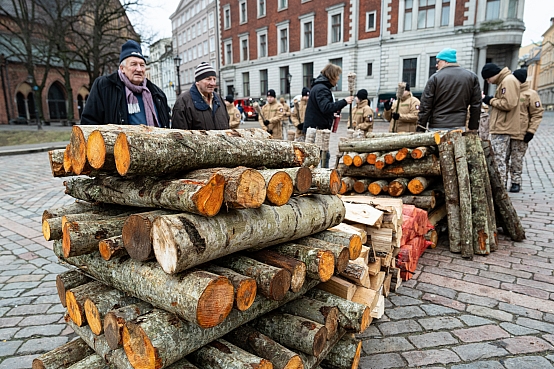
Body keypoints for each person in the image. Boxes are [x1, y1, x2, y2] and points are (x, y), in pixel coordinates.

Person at [81, 40, 170, 127]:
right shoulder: (104, 86)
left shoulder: (157, 94)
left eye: (142, 65)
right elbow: (89, 123)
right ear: (122, 68)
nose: (139, 69)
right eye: (133, 64)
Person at [418, 48, 481, 131]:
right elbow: (476, 105)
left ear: (446, 61)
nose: (436, 65)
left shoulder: (435, 78)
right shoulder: (471, 77)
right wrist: (473, 127)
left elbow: (425, 105)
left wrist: (420, 128)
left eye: (438, 61)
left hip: (437, 125)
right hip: (459, 125)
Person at [481, 62, 521, 187]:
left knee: (498, 158)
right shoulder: (506, 80)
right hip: (502, 125)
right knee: (499, 157)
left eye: (488, 78)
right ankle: (499, 185)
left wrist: (489, 99)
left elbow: (508, 104)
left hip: (503, 127)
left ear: (493, 74)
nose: (488, 82)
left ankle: (499, 187)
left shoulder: (508, 81)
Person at [506, 69, 544, 192]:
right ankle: (501, 181)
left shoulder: (530, 94)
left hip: (520, 133)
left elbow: (537, 113)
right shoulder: (508, 90)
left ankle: (515, 182)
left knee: (517, 159)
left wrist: (531, 131)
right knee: (502, 159)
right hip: (505, 131)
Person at [172, 62, 229, 130]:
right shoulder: (183, 102)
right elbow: (179, 136)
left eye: (214, 79)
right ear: (198, 81)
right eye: (208, 79)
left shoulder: (219, 99)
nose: (213, 83)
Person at [304, 63, 353, 132]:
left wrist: (331, 115)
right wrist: (344, 101)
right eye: (337, 75)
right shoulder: (322, 89)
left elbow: (319, 110)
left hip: (314, 128)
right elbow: (326, 107)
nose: (338, 78)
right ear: (332, 76)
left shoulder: (319, 87)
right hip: (316, 130)